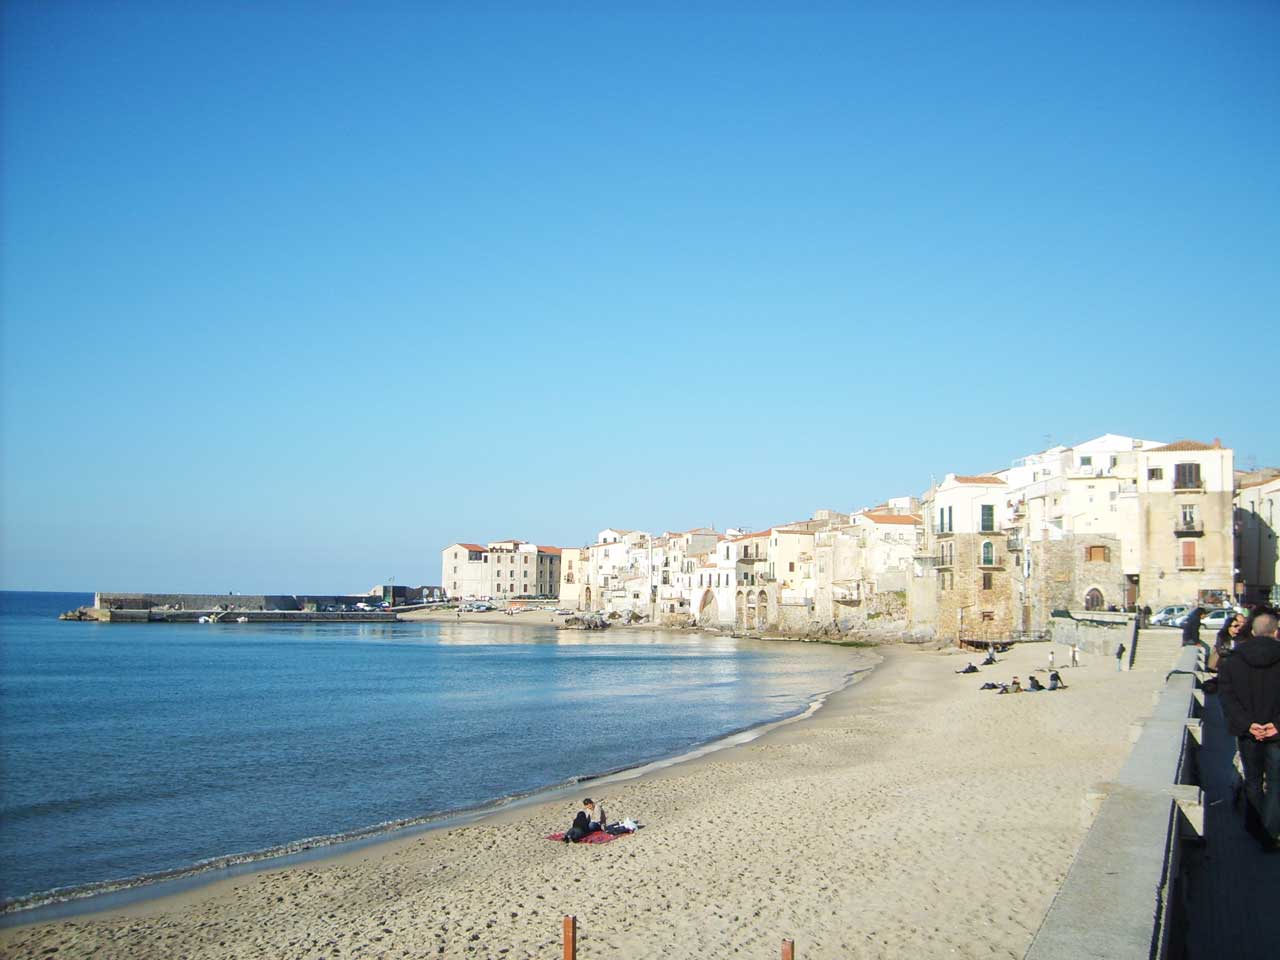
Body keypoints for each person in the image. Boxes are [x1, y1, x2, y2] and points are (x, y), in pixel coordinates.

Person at [1216, 611, 1280, 847]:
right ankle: (1271, 833)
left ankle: (1255, 828)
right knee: (1276, 781)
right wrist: (1275, 725)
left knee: (1252, 780)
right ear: (1275, 632)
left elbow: (1227, 697)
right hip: (1276, 733)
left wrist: (1248, 724)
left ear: (1252, 632)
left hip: (1248, 732)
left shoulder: (1233, 660)